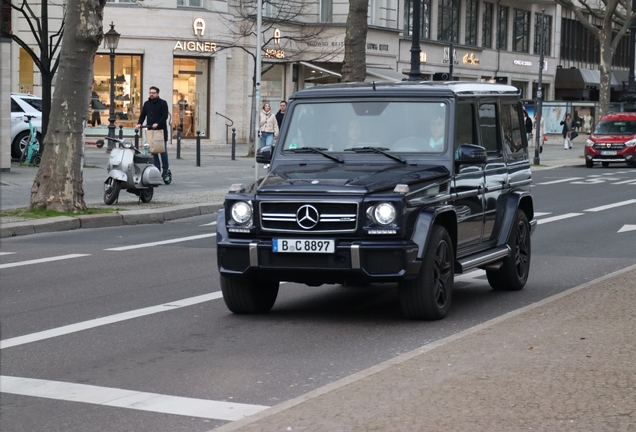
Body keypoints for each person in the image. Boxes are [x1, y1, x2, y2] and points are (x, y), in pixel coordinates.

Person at [136, 86, 171, 183]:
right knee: (153, 151)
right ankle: (156, 169)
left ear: (158, 94)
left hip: (160, 131)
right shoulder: (147, 104)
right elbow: (143, 115)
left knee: (162, 151)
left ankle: (165, 170)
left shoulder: (163, 103)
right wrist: (139, 123)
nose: (151, 94)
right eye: (150, 92)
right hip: (151, 131)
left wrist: (158, 123)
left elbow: (165, 116)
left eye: (153, 93)